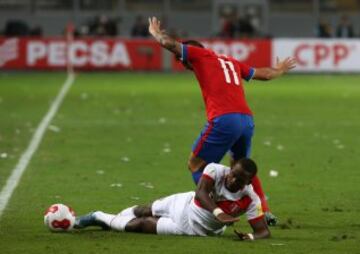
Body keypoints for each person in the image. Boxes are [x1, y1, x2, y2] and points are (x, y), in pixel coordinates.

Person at [148, 17, 296, 226]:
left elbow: (168, 43)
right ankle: (265, 211)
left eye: (182, 60)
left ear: (188, 53)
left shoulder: (199, 54)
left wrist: (155, 33)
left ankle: (217, 207)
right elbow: (265, 75)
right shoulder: (230, 61)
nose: (183, 64)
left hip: (225, 119)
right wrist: (280, 69)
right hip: (246, 120)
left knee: (195, 164)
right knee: (240, 166)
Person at [75, 158, 270, 240]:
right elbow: (201, 192)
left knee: (139, 225)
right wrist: (219, 213)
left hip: (192, 229)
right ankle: (114, 219)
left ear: (248, 182)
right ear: (231, 167)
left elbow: (263, 231)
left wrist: (251, 236)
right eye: (233, 173)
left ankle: (99, 216)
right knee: (145, 209)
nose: (233, 179)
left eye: (240, 179)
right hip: (184, 203)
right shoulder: (216, 169)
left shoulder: (251, 199)